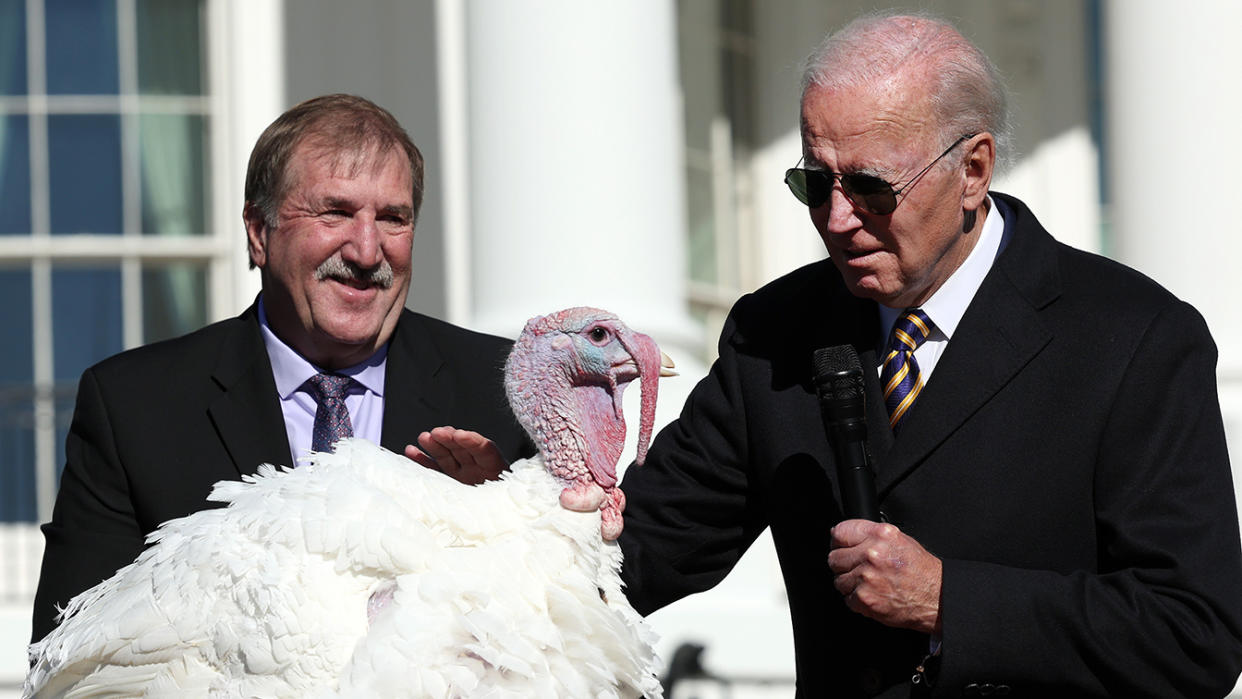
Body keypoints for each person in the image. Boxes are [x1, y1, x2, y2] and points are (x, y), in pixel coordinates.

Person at [612, 13, 1242, 698]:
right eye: (815, 184)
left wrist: (950, 600)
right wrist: (501, 506)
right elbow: (638, 552)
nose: (837, 219)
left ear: (973, 169)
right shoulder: (774, 331)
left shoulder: (1135, 338)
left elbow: (1192, 632)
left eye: (872, 188)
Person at [31, 94, 533, 642]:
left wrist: (497, 526)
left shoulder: (505, 391)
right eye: (335, 212)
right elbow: (71, 657)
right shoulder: (135, 408)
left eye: (393, 218)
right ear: (258, 232)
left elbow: (577, 633)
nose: (367, 252)